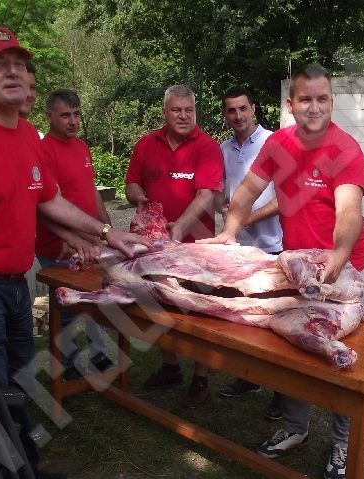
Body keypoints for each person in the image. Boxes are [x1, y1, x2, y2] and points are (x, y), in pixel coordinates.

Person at [0, 26, 149, 479]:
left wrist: (108, 233)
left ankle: (23, 466)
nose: (12, 72)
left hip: (16, 283)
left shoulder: (27, 136)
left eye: (19, 64)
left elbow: (50, 201)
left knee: (19, 380)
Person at [201, 64, 364, 479]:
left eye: (323, 99)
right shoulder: (278, 144)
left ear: (332, 101)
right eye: (306, 99)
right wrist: (230, 231)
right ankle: (295, 428)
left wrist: (338, 255)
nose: (315, 107)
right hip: (295, 268)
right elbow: (248, 191)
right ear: (290, 105)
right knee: (295, 351)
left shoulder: (346, 150)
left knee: (341, 365)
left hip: (343, 272)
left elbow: (348, 211)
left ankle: (344, 444)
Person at [124, 84, 224, 408]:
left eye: (189, 110)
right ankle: (169, 367)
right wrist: (138, 196)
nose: (183, 116)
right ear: (164, 112)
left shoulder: (206, 147)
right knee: (162, 304)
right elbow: (131, 183)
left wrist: (180, 224)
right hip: (156, 244)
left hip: (195, 246)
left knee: (198, 311)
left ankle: (201, 376)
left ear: (195, 112)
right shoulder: (145, 144)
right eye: (176, 110)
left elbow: (206, 194)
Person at [35, 88, 114, 380]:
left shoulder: (81, 147)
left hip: (90, 242)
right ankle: (67, 363)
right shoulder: (43, 151)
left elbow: (91, 193)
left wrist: (108, 231)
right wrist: (72, 238)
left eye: (76, 114)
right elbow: (46, 204)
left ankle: (99, 354)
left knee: (98, 295)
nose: (72, 121)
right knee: (66, 304)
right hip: (57, 246)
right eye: (65, 115)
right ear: (49, 116)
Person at [216, 86, 284, 420]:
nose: (238, 116)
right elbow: (222, 194)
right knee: (242, 318)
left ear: (254, 108)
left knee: (275, 322)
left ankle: (281, 393)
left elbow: (284, 198)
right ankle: (248, 377)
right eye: (231, 110)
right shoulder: (224, 149)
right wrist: (225, 209)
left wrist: (245, 218)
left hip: (273, 248)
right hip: (238, 250)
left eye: (243, 108)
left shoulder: (275, 142)